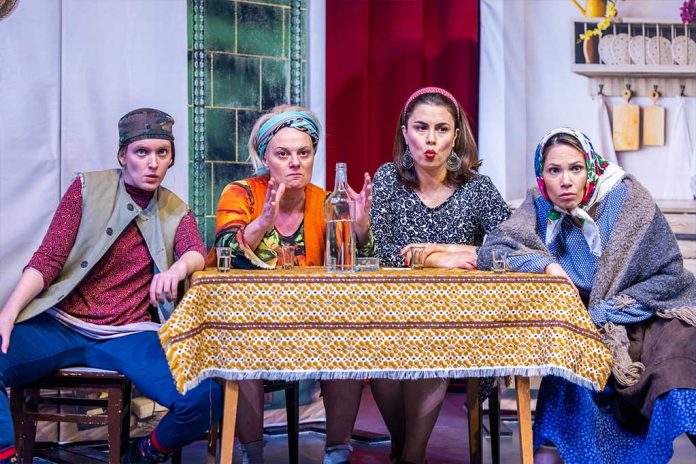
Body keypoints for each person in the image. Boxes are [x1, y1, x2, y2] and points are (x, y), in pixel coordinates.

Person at [0, 108, 222, 464]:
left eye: (162, 153)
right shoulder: (87, 189)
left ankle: (145, 455)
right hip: (62, 326)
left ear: (171, 159)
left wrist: (177, 269)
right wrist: (9, 313)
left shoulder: (176, 210)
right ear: (122, 156)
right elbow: (48, 258)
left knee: (206, 398)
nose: (152, 163)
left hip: (129, 333)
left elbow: (195, 251)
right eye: (141, 152)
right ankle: (7, 456)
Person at [478, 127, 696, 464]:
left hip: (649, 310)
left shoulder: (628, 200)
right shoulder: (539, 205)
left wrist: (608, 310)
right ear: (542, 176)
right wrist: (545, 265)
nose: (565, 181)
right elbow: (494, 249)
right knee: (574, 367)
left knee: (676, 370)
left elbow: (669, 273)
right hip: (586, 322)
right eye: (554, 170)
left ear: (590, 169)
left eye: (575, 169)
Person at [213, 105, 374, 464]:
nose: (295, 163)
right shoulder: (240, 193)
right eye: (283, 154)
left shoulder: (326, 201)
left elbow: (355, 266)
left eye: (304, 153)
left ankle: (337, 452)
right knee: (241, 349)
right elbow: (225, 252)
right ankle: (252, 454)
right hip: (252, 322)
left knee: (348, 345)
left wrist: (361, 228)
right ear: (265, 157)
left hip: (311, 322)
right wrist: (262, 222)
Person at [369, 87, 511, 464]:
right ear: (405, 133)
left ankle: (412, 455)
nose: (431, 140)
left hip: (459, 317)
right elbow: (378, 252)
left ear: (456, 135)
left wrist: (445, 250)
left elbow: (513, 247)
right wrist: (436, 260)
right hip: (394, 311)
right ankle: (405, 449)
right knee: (376, 346)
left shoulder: (477, 188)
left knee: (430, 338)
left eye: (441, 129)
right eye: (421, 128)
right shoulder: (388, 179)